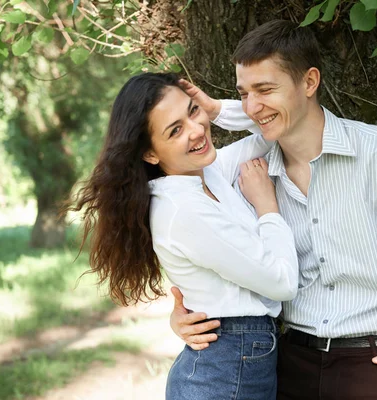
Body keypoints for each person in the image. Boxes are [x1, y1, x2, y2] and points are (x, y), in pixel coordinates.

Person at [169, 20, 377, 400]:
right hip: (285, 368)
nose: (251, 106)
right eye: (244, 93)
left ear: (309, 82)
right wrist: (183, 315)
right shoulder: (248, 178)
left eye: (264, 89)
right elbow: (216, 260)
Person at [68, 72, 299, 399]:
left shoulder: (207, 173)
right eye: (175, 130)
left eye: (192, 111)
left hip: (235, 360)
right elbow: (283, 283)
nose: (195, 130)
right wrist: (267, 207)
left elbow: (269, 130)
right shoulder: (183, 210)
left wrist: (216, 110)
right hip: (226, 369)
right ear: (150, 153)